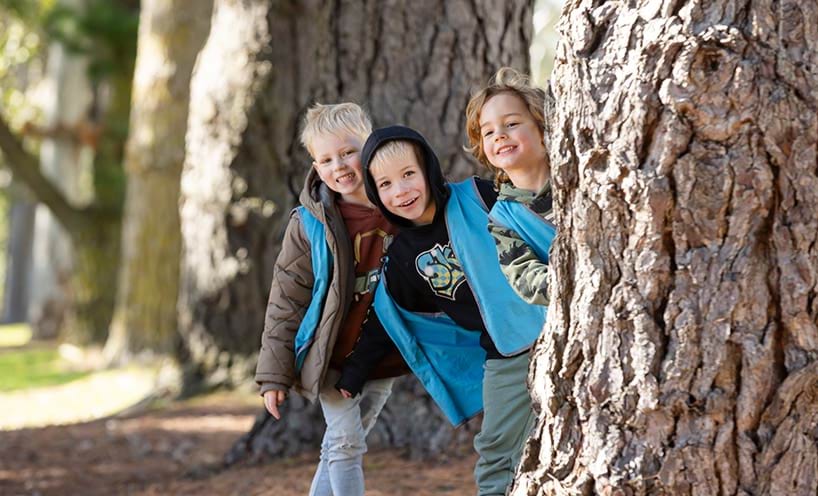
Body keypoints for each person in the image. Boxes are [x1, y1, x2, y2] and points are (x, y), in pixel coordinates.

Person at [336, 125, 547, 495]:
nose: (400, 191)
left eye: (408, 175)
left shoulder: (479, 196)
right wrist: (354, 373)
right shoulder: (403, 258)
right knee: (497, 451)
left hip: (555, 326)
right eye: (385, 184)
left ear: (428, 170)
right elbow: (388, 319)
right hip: (506, 353)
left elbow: (534, 217)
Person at [254, 102, 407, 496]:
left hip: (381, 355)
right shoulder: (308, 225)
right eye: (325, 159)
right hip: (330, 357)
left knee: (341, 447)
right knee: (345, 444)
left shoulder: (399, 203)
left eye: (347, 152)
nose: (338, 166)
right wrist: (274, 374)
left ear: (369, 147)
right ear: (315, 166)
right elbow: (285, 302)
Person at [465, 67, 557, 306]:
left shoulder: (575, 179)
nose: (499, 135)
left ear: (542, 128)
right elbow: (523, 276)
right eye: (488, 132)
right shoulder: (502, 219)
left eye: (512, 123)